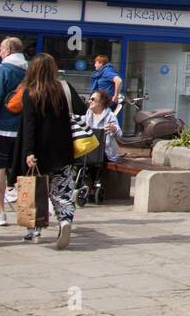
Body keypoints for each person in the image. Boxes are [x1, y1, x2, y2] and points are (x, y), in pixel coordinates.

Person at [15, 52, 86, 248]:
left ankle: (34, 231)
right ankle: (64, 221)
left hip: (39, 151)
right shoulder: (64, 88)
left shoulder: (30, 93)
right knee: (61, 191)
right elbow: (82, 108)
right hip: (63, 149)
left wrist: (29, 152)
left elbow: (29, 126)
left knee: (36, 191)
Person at [83, 89, 123, 162]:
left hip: (105, 152)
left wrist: (114, 129)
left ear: (101, 102)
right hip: (91, 150)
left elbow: (120, 134)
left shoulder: (110, 116)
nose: (89, 101)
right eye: (89, 99)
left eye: (92, 99)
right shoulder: (88, 114)